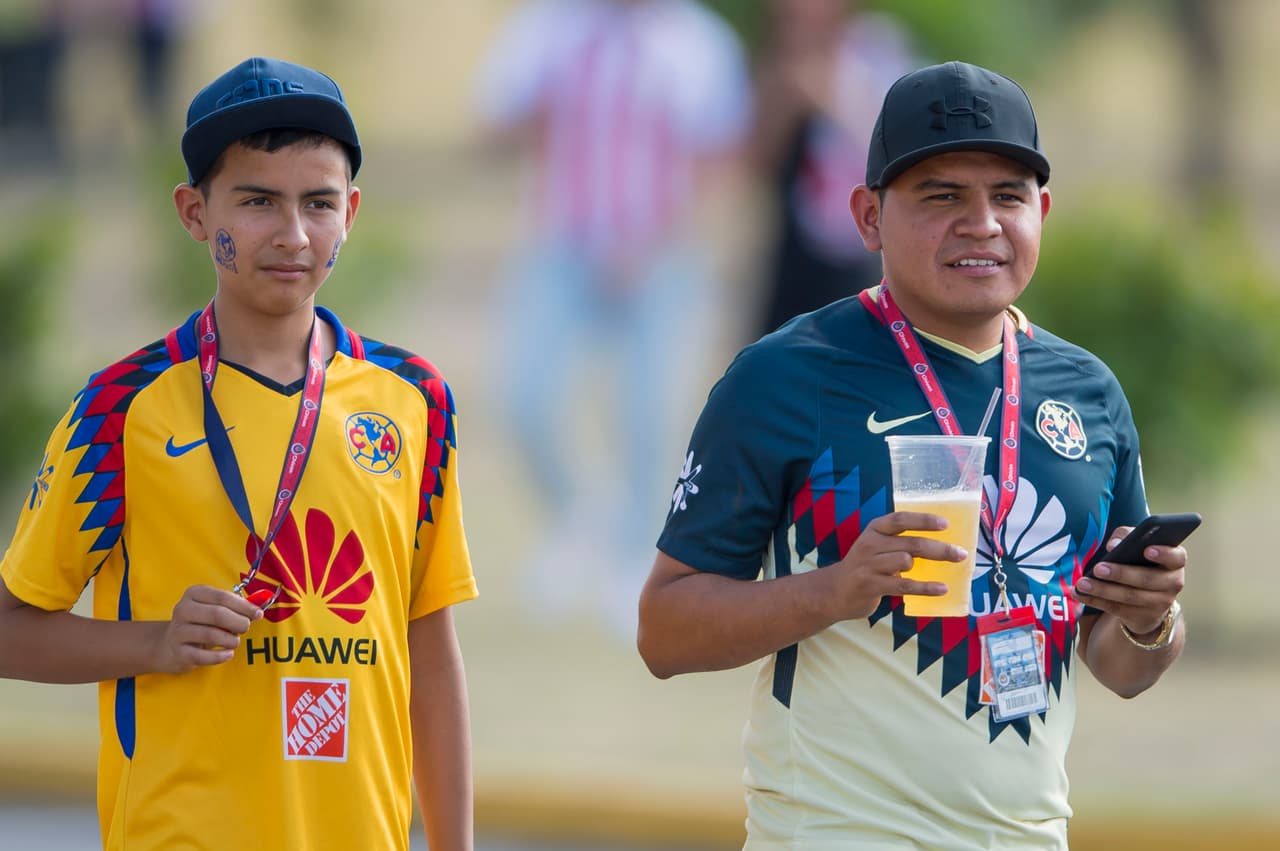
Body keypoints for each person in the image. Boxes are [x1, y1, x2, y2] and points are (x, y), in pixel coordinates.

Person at [638, 60, 1189, 848]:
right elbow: (664, 630)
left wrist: (1149, 621)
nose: (981, 222)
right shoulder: (786, 376)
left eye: (1008, 195)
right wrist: (835, 589)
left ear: (1043, 210)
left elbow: (1116, 663)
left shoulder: (1087, 391)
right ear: (867, 216)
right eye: (941, 195)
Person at [0, 57, 478, 851]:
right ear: (194, 211)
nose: (292, 235)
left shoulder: (415, 400)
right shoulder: (123, 409)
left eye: (318, 203)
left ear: (351, 212)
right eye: (258, 202)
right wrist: (151, 641)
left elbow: (430, 651)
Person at [475, 0, 751, 633]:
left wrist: (670, 235)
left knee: (647, 416)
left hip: (660, 255)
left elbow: (722, 155)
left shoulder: (696, 41)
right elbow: (493, 121)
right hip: (561, 243)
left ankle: (634, 564)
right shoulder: (549, 27)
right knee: (524, 394)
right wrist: (526, 119)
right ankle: (579, 517)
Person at [749, 0, 916, 338]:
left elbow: (893, 145)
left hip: (856, 247)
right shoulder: (779, 59)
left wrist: (828, 98)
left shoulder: (873, 49)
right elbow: (757, 162)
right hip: (794, 250)